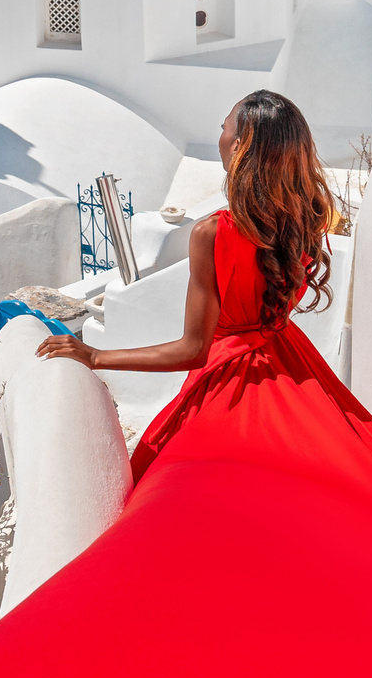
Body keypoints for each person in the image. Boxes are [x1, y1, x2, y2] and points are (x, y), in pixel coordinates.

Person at [40, 90, 340, 481]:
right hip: (292, 363)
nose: (219, 135)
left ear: (238, 145)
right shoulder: (309, 217)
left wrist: (95, 356)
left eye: (224, 126)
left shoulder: (214, 232)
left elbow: (193, 349)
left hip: (229, 383)